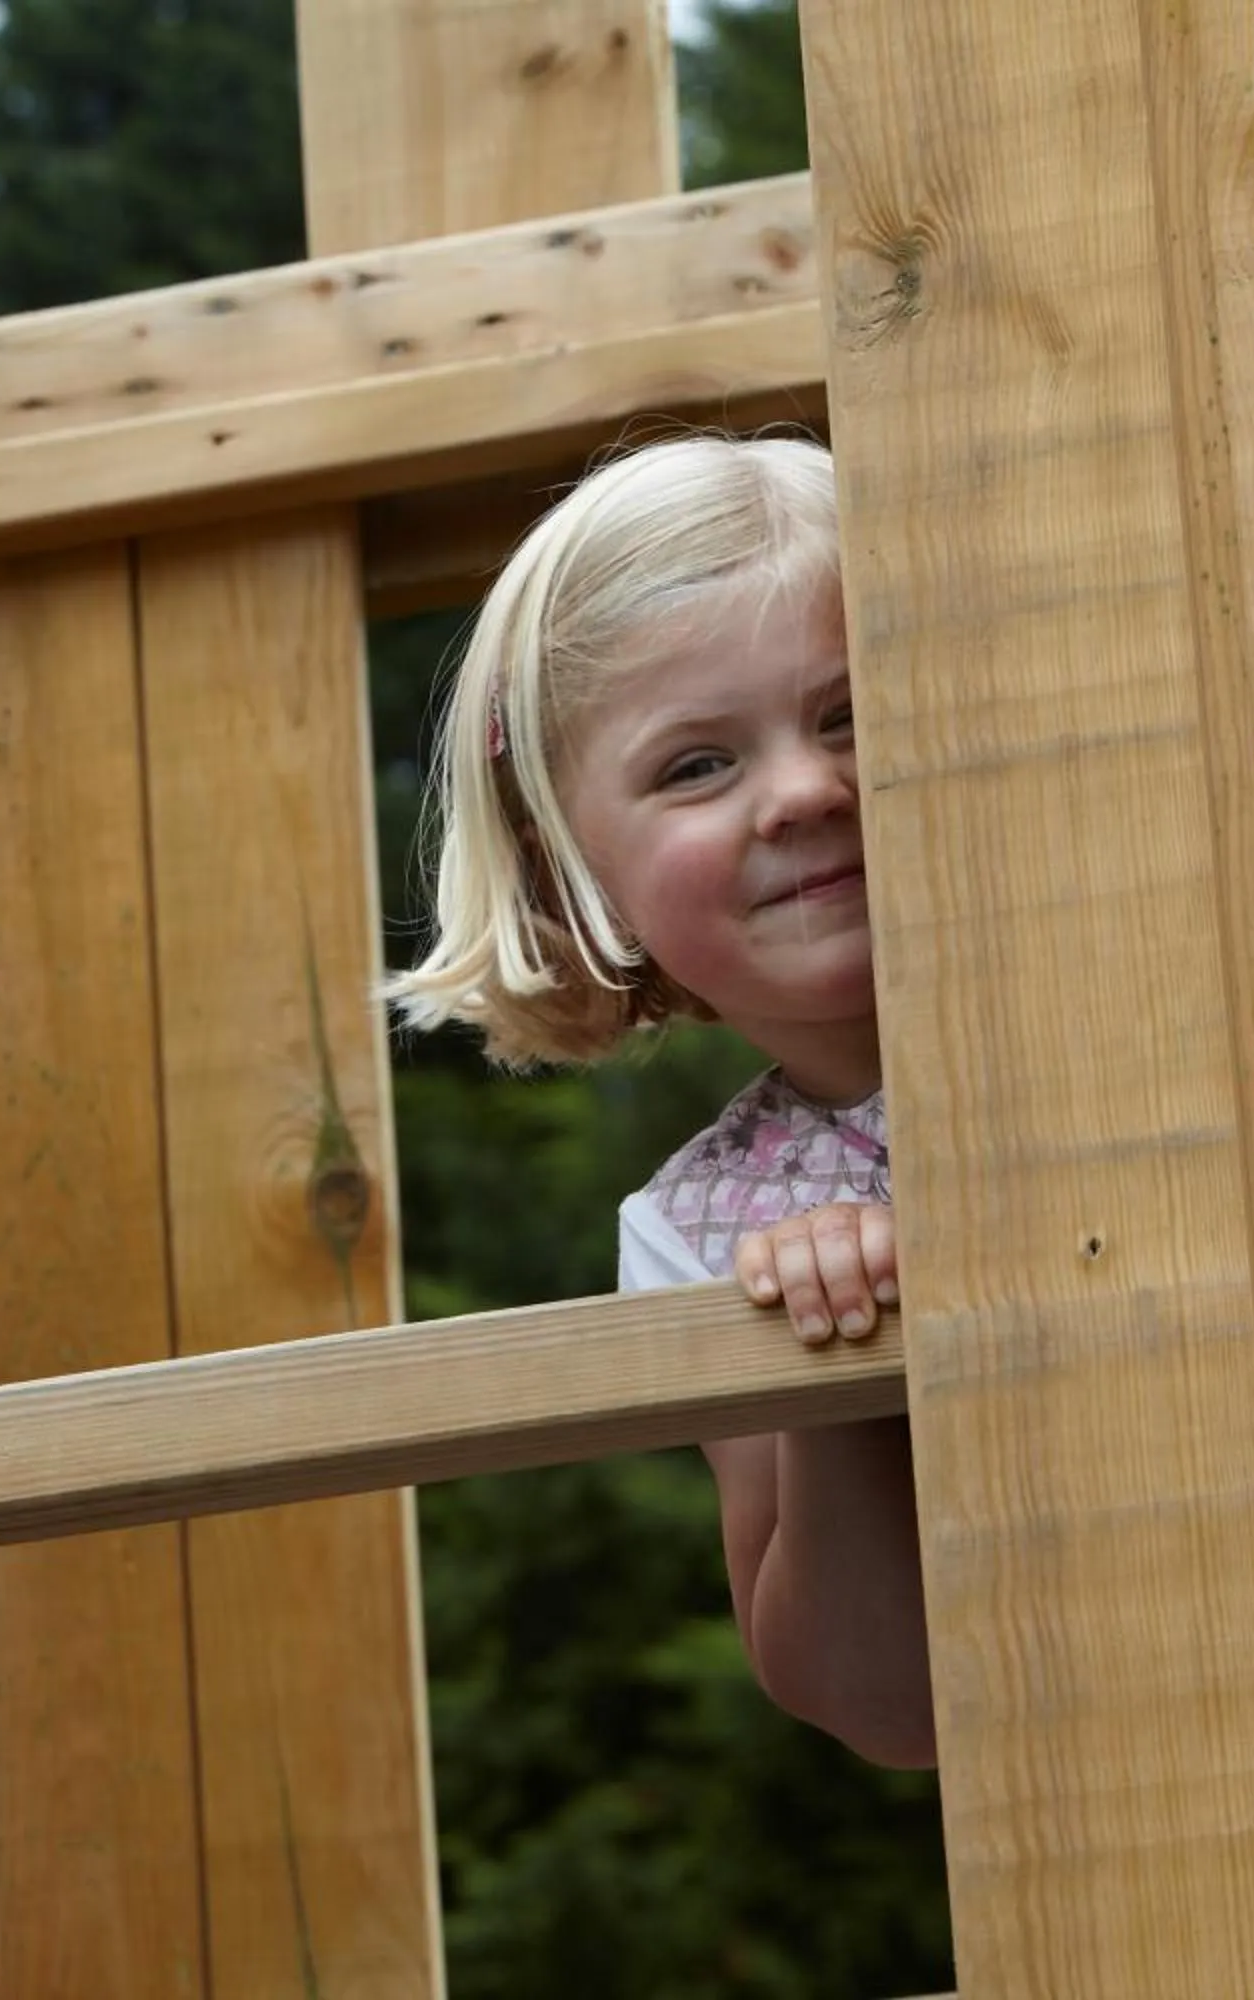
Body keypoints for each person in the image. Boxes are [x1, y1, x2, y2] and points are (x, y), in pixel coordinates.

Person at [385, 435, 934, 1768]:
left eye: (851, 714)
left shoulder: (1152, 1012)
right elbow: (887, 1710)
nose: (804, 791)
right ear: (573, 871)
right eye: (696, 766)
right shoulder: (705, 1231)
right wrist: (836, 1377)